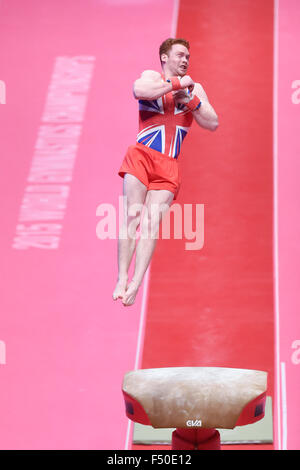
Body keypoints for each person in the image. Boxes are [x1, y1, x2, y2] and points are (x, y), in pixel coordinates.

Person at [113, 38, 218, 306]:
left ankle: (136, 284)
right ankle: (122, 278)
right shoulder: (152, 77)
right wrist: (175, 85)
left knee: (151, 225)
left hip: (168, 165)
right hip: (141, 157)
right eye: (180, 55)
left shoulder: (196, 89)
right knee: (132, 218)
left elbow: (212, 123)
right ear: (164, 57)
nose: (185, 60)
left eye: (188, 57)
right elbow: (139, 91)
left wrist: (190, 99)